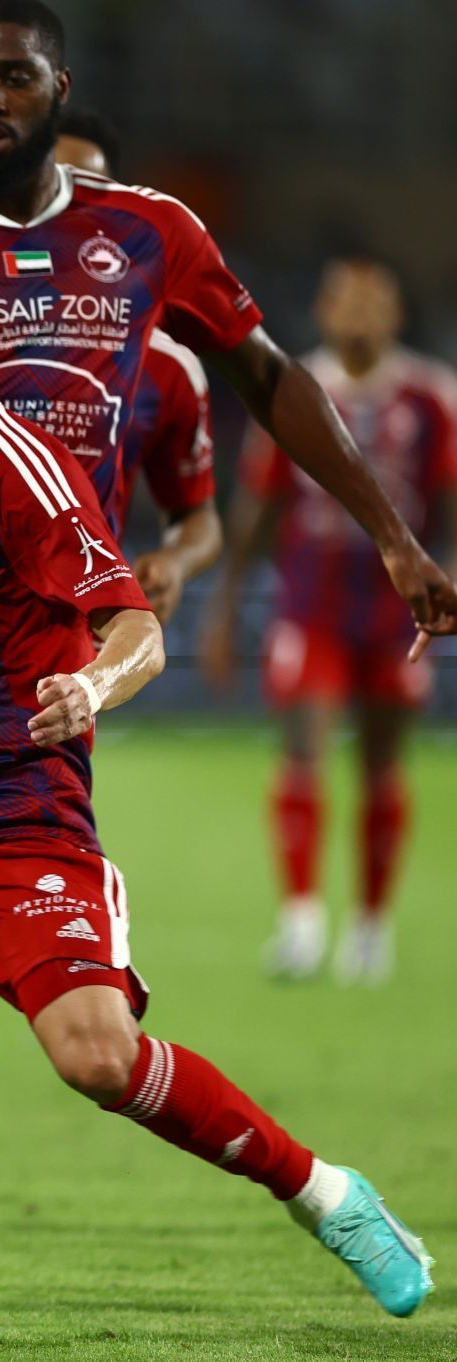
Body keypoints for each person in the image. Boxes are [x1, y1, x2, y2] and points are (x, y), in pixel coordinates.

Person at [0, 0, 456, 1299]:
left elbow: (269, 384)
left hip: (38, 617)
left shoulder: (153, 235)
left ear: (62, 86)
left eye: (14, 76)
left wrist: (392, 536)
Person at [203, 255, 457, 983]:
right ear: (322, 311)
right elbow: (257, 508)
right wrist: (224, 607)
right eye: (343, 300)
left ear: (396, 314)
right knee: (304, 752)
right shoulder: (293, 388)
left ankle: (372, 927)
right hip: (309, 604)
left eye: (372, 301)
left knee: (382, 767)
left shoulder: (432, 395)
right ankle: (303, 922)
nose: (357, 314)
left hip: (394, 608)